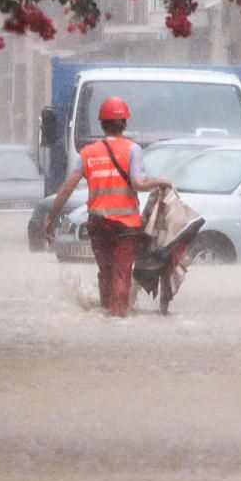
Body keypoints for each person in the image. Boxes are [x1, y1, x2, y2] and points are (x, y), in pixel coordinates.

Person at [43, 96, 171, 317]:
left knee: (106, 272)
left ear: (102, 124)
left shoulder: (88, 153)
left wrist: (51, 218)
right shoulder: (132, 150)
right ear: (124, 123)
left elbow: (67, 188)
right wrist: (161, 181)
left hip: (98, 224)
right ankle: (118, 318)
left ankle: (105, 313)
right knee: (122, 273)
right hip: (125, 227)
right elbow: (138, 184)